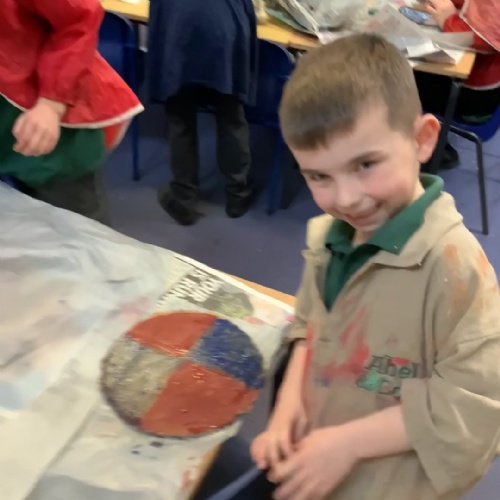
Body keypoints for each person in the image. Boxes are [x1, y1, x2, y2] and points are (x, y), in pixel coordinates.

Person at [249, 34, 500, 500]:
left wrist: (348, 445)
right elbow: (309, 326)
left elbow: (476, 407)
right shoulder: (326, 238)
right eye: (319, 176)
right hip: (321, 457)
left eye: (365, 164)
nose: (346, 199)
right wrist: (288, 405)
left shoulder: (457, 270)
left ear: (423, 140)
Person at [0, 0, 143, 225]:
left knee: (75, 226)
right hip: (9, 129)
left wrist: (51, 104)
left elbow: (77, 18)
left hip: (52, 122)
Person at [148, 0, 258, 226]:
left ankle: (184, 198)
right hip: (223, 31)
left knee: (180, 118)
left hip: (178, 32)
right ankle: (237, 195)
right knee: (231, 118)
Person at [416, 0, 500, 168]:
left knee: (396, 78)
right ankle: (434, 142)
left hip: (474, 99)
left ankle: (428, 149)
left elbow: (483, 40)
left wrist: (449, 20)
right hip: (481, 88)